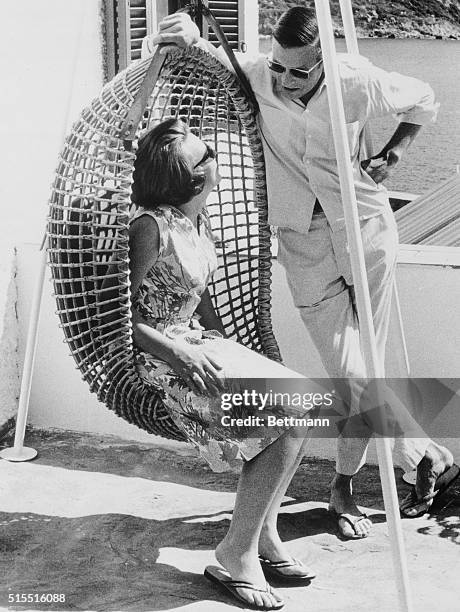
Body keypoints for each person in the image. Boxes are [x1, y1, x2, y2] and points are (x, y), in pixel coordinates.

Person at [144, 6, 459, 539]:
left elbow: (425, 99)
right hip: (302, 239)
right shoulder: (258, 75)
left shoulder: (358, 79)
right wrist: (184, 31)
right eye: (279, 68)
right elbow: (206, 48)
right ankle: (426, 458)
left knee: (370, 365)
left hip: (366, 227)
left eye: (300, 72)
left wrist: (395, 152)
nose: (285, 80)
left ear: (325, 60)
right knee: (353, 371)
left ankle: (344, 486)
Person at [120, 117, 324, 610]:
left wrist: (228, 344)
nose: (214, 158)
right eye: (204, 156)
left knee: (310, 401)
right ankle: (236, 552)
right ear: (185, 178)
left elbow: (197, 292)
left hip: (197, 343)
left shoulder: (196, 218)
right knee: (284, 416)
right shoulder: (149, 227)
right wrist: (184, 352)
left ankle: (264, 533)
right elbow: (125, 319)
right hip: (164, 359)